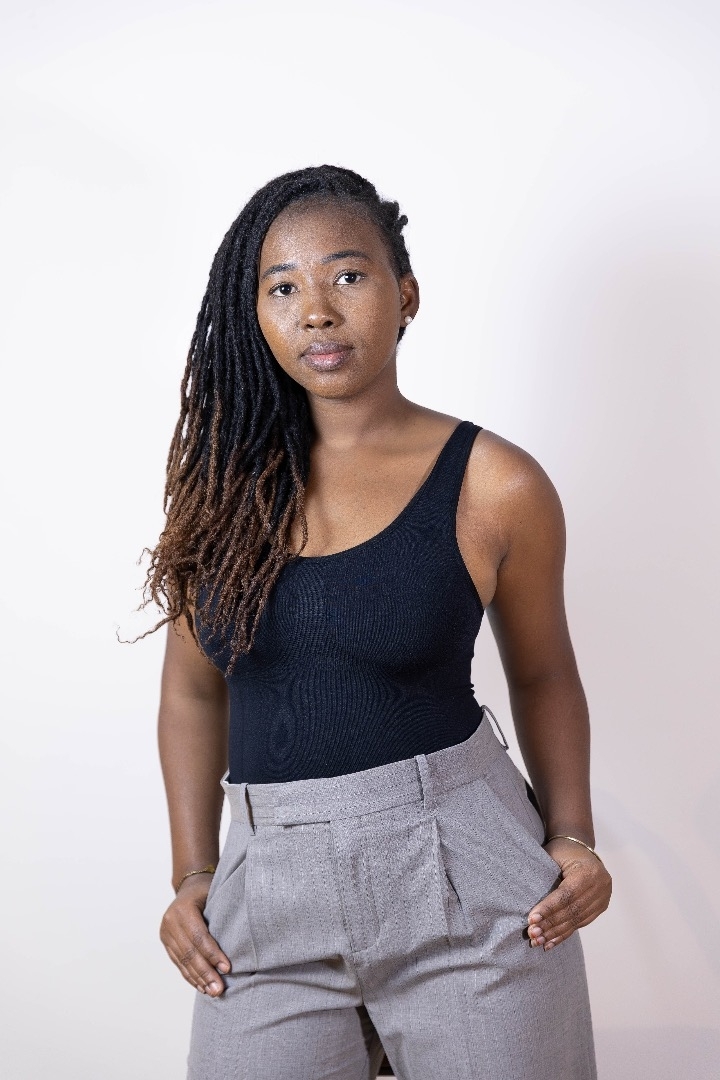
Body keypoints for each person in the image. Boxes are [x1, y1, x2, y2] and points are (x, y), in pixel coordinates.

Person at [146, 165, 612, 1080]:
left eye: (348, 276)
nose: (317, 312)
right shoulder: (221, 495)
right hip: (266, 899)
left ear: (406, 296)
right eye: (283, 288)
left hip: (470, 888)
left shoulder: (496, 483)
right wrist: (192, 873)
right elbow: (191, 695)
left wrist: (574, 837)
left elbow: (544, 672)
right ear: (255, 314)